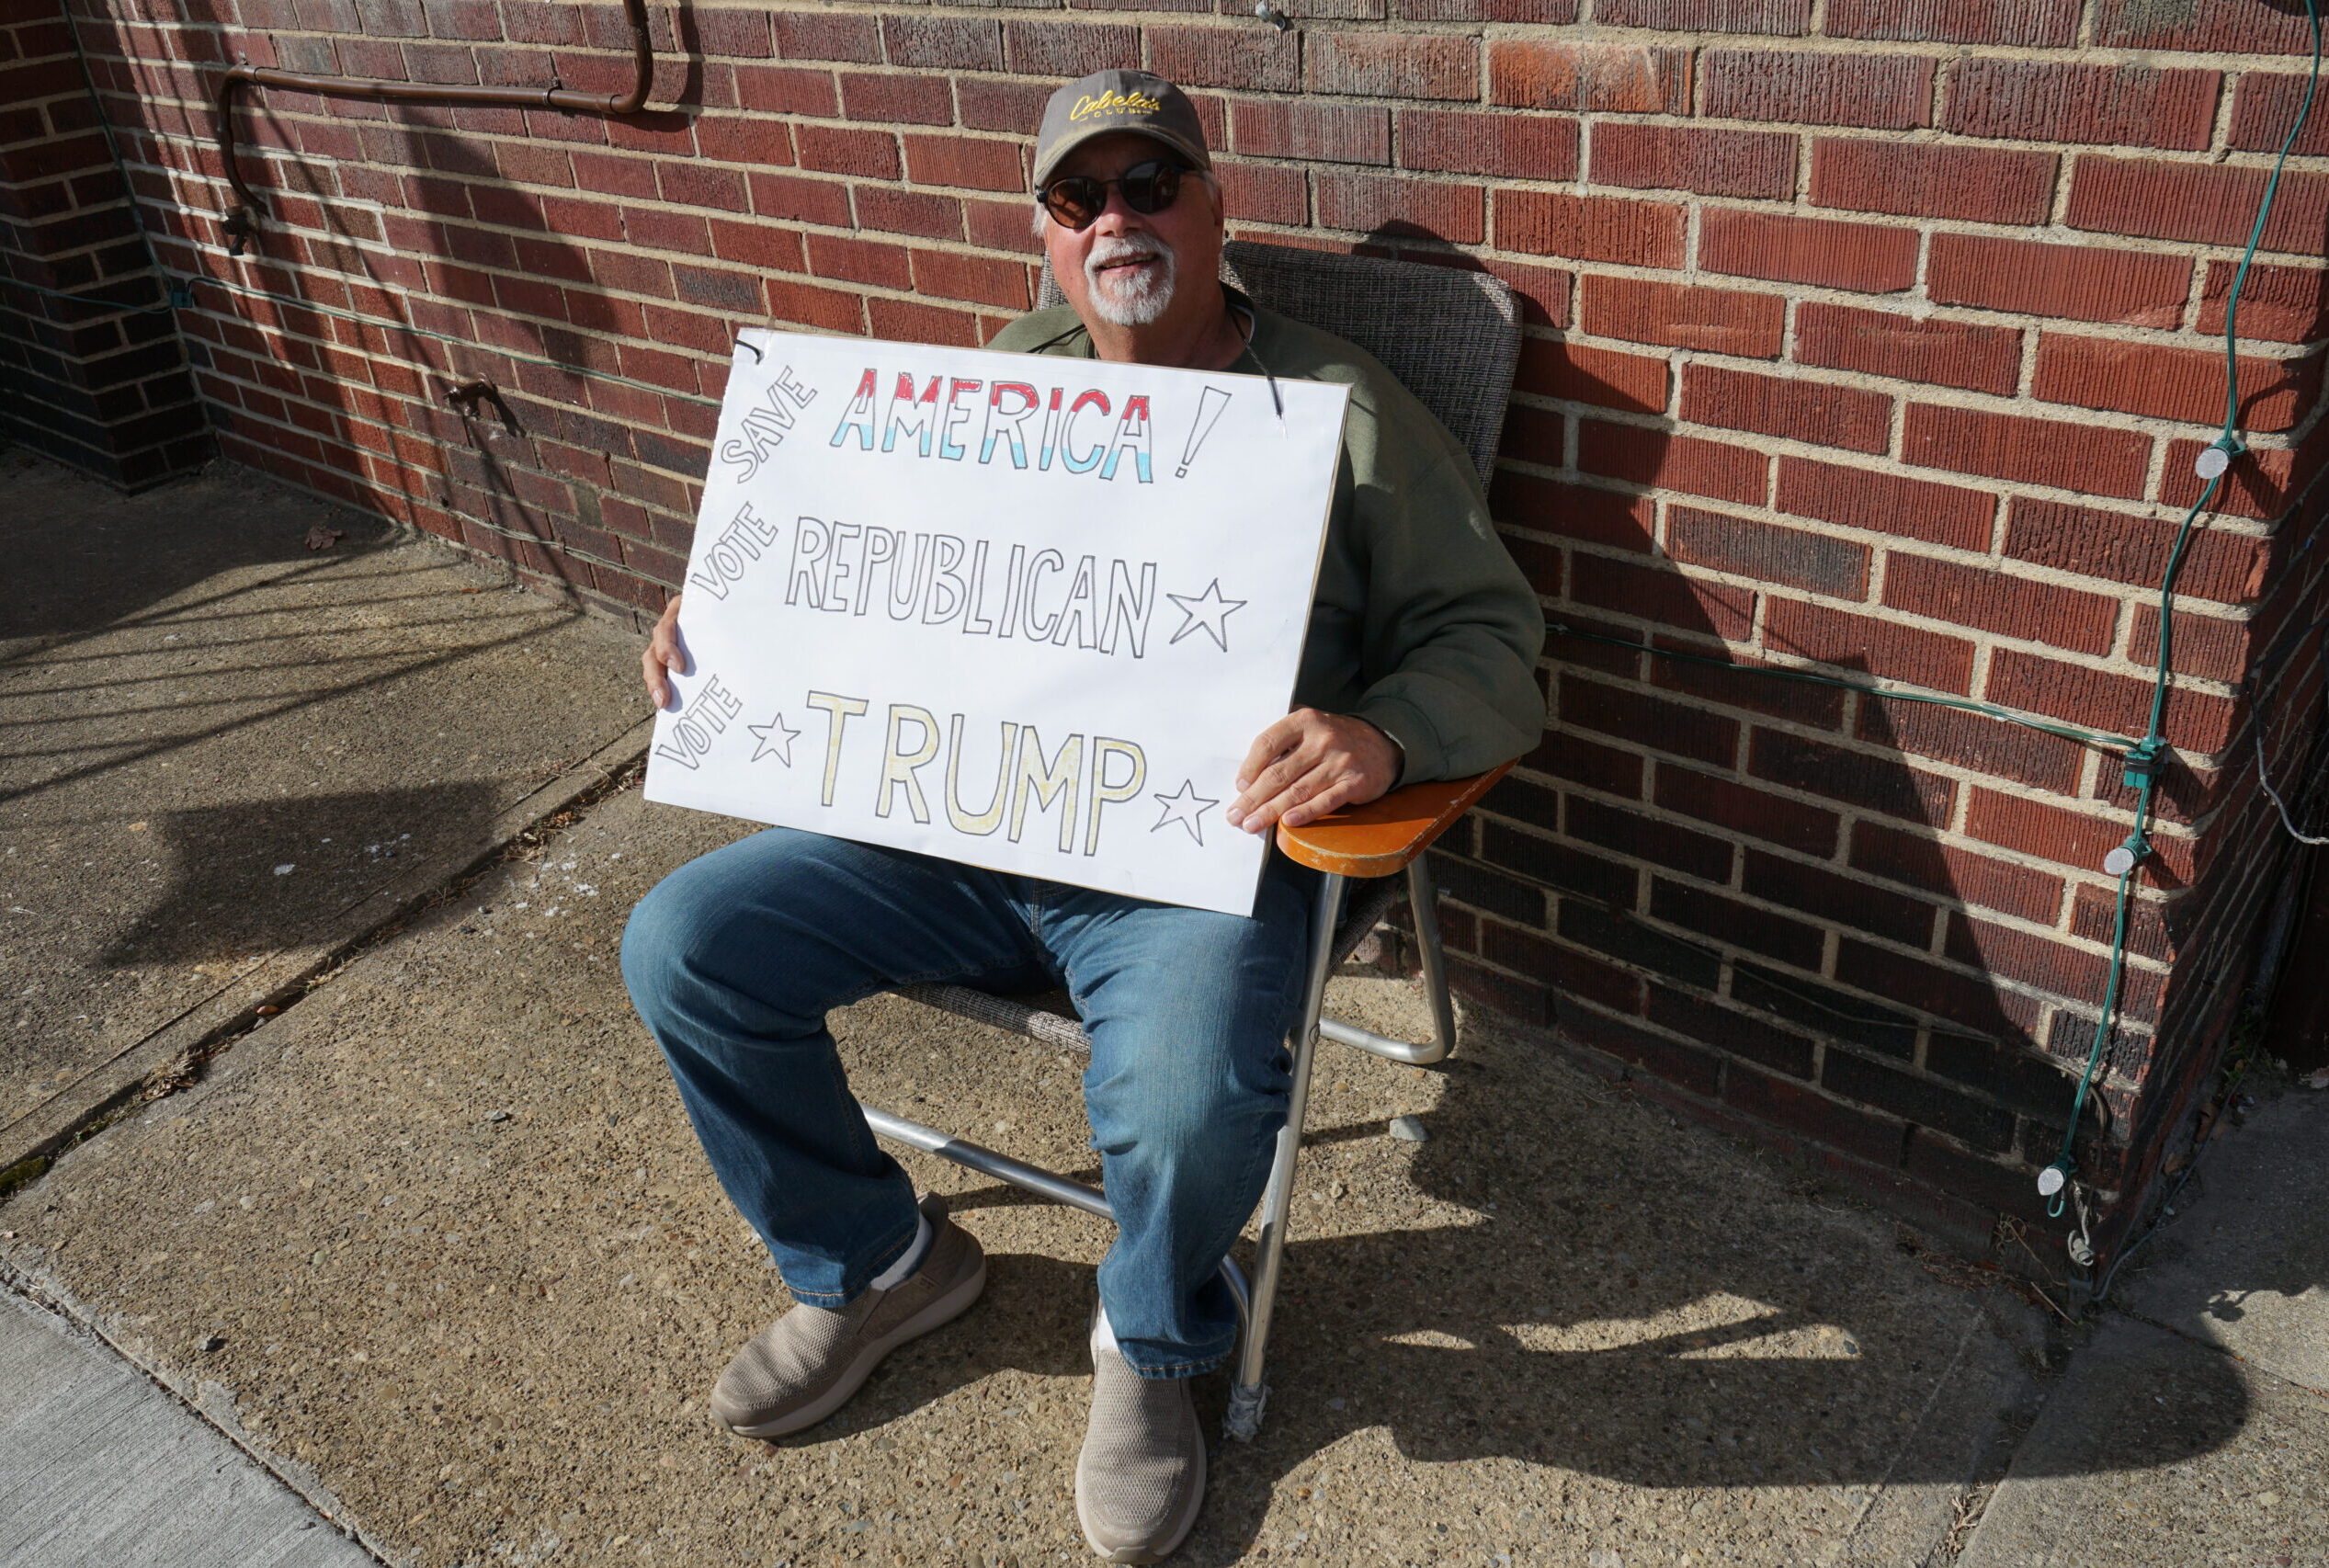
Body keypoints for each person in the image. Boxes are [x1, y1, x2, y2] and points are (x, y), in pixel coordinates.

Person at [619, 68, 1544, 1564]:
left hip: (1192, 858)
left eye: (1148, 184)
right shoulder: (1008, 379)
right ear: (1045, 237)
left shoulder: (1336, 412)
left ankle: (1155, 1339)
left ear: (1212, 209)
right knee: (685, 943)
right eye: (1078, 197)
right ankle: (875, 1261)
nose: (1115, 218)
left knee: (1179, 1096)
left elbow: (1493, 643)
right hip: (966, 824)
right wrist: (730, 618)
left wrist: (1381, 733)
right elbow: (891, 586)